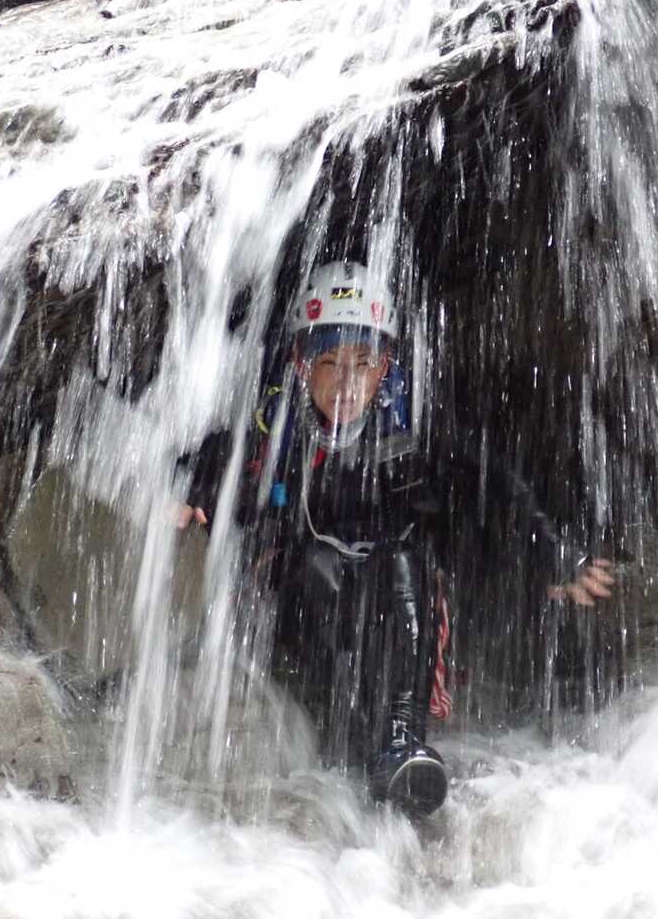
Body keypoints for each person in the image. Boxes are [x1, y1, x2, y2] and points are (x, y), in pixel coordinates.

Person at [176, 260, 614, 817]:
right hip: (303, 596)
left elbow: (493, 485)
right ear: (302, 363)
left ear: (384, 367)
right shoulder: (273, 427)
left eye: (363, 364)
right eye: (329, 363)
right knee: (315, 568)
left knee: (403, 562)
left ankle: (403, 739)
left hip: (393, 597)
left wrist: (551, 552)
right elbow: (210, 462)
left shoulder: (411, 425)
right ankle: (346, 732)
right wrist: (188, 492)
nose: (346, 383)